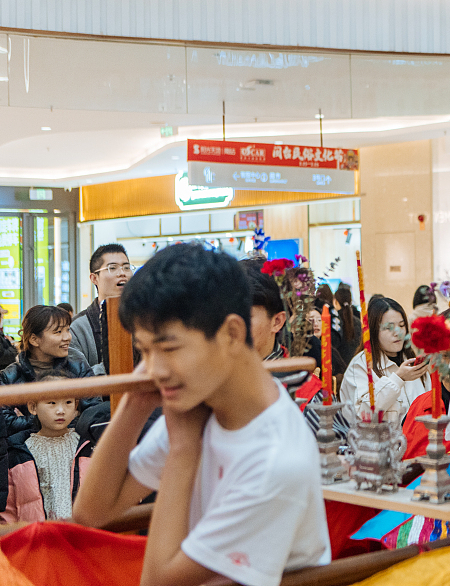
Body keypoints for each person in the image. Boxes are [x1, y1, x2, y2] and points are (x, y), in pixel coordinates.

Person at [72, 244, 330, 586]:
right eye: (145, 351)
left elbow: (157, 583)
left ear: (232, 334)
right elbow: (90, 514)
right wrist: (135, 401)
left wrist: (182, 452)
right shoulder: (201, 402)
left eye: (169, 348)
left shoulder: (276, 460)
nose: (154, 369)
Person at [3, 372, 92, 522]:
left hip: (82, 535)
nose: (61, 410)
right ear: (33, 407)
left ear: (76, 405)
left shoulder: (87, 446)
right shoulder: (18, 450)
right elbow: (8, 508)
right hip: (36, 538)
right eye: (52, 403)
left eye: (68, 402)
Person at [1, 306, 93, 436]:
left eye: (67, 330)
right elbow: (6, 425)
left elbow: (92, 414)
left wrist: (28, 420)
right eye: (58, 332)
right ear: (34, 339)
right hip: (25, 453)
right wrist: (68, 416)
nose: (67, 337)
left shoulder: (78, 367)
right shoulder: (10, 376)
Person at [339, 296, 427, 421]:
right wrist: (397, 379)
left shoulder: (412, 361)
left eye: (402, 325)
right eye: (389, 327)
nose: (398, 332)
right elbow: (361, 416)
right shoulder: (360, 365)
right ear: (373, 332)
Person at [69, 244, 134, 371]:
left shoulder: (144, 318)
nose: (122, 273)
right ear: (94, 278)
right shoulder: (78, 328)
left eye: (126, 267)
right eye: (112, 268)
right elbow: (77, 377)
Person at [333, 284, 361, 365]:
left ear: (335, 302)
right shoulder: (357, 321)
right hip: (356, 365)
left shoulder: (334, 322)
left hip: (338, 368)